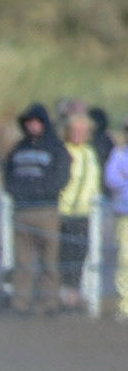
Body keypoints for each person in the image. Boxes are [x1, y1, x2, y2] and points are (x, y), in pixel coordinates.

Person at [2, 103, 71, 315]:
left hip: (47, 210)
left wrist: (42, 191)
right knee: (22, 261)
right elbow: (8, 175)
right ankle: (20, 303)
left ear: (44, 123)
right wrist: (18, 192)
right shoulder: (18, 148)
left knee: (49, 260)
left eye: (36, 122)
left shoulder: (56, 148)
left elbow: (62, 176)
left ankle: (48, 303)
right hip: (21, 211)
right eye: (29, 122)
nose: (32, 126)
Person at [57, 112, 103, 313]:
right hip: (63, 212)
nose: (78, 134)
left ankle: (75, 297)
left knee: (79, 257)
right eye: (74, 130)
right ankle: (61, 298)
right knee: (61, 256)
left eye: (82, 131)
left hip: (84, 214)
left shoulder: (90, 154)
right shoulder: (63, 151)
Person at [103, 125, 128, 321]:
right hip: (124, 214)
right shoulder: (119, 153)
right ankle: (125, 305)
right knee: (124, 260)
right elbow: (111, 179)